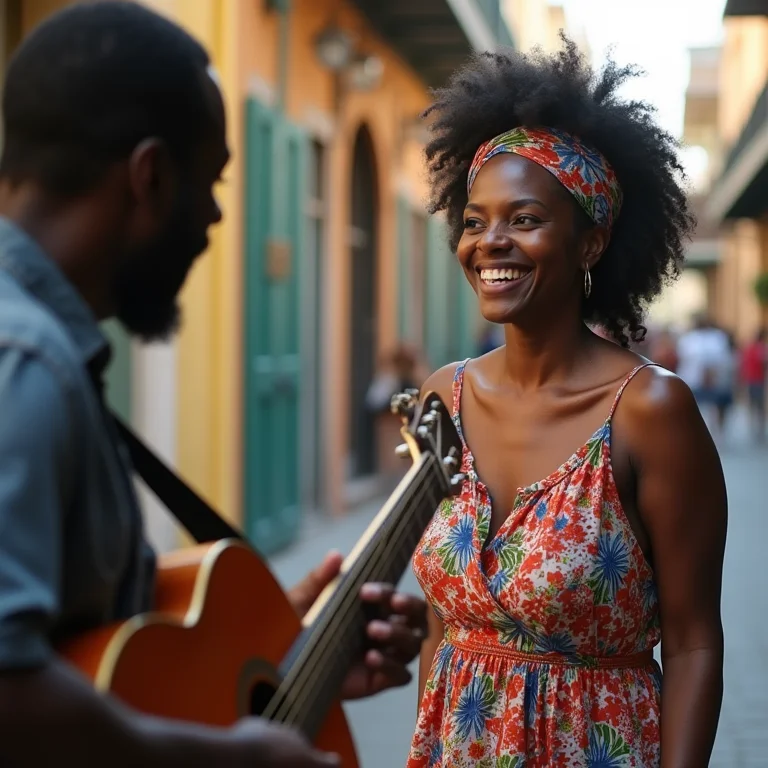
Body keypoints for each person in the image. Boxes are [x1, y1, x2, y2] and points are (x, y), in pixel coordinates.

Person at [0, 4, 427, 766]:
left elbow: (85, 651)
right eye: (212, 181)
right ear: (151, 176)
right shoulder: (26, 363)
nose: (217, 214)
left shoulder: (50, 354)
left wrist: (253, 656)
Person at [407, 38, 727, 767]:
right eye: (475, 220)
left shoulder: (648, 409)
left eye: (524, 219)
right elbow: (439, 626)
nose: (491, 242)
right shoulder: (441, 397)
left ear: (591, 243)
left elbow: (693, 641)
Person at [740, 328, 767, 441]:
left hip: (751, 379)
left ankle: (754, 426)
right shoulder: (762, 349)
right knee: (758, 405)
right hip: (757, 379)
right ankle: (758, 427)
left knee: (753, 404)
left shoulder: (749, 348)